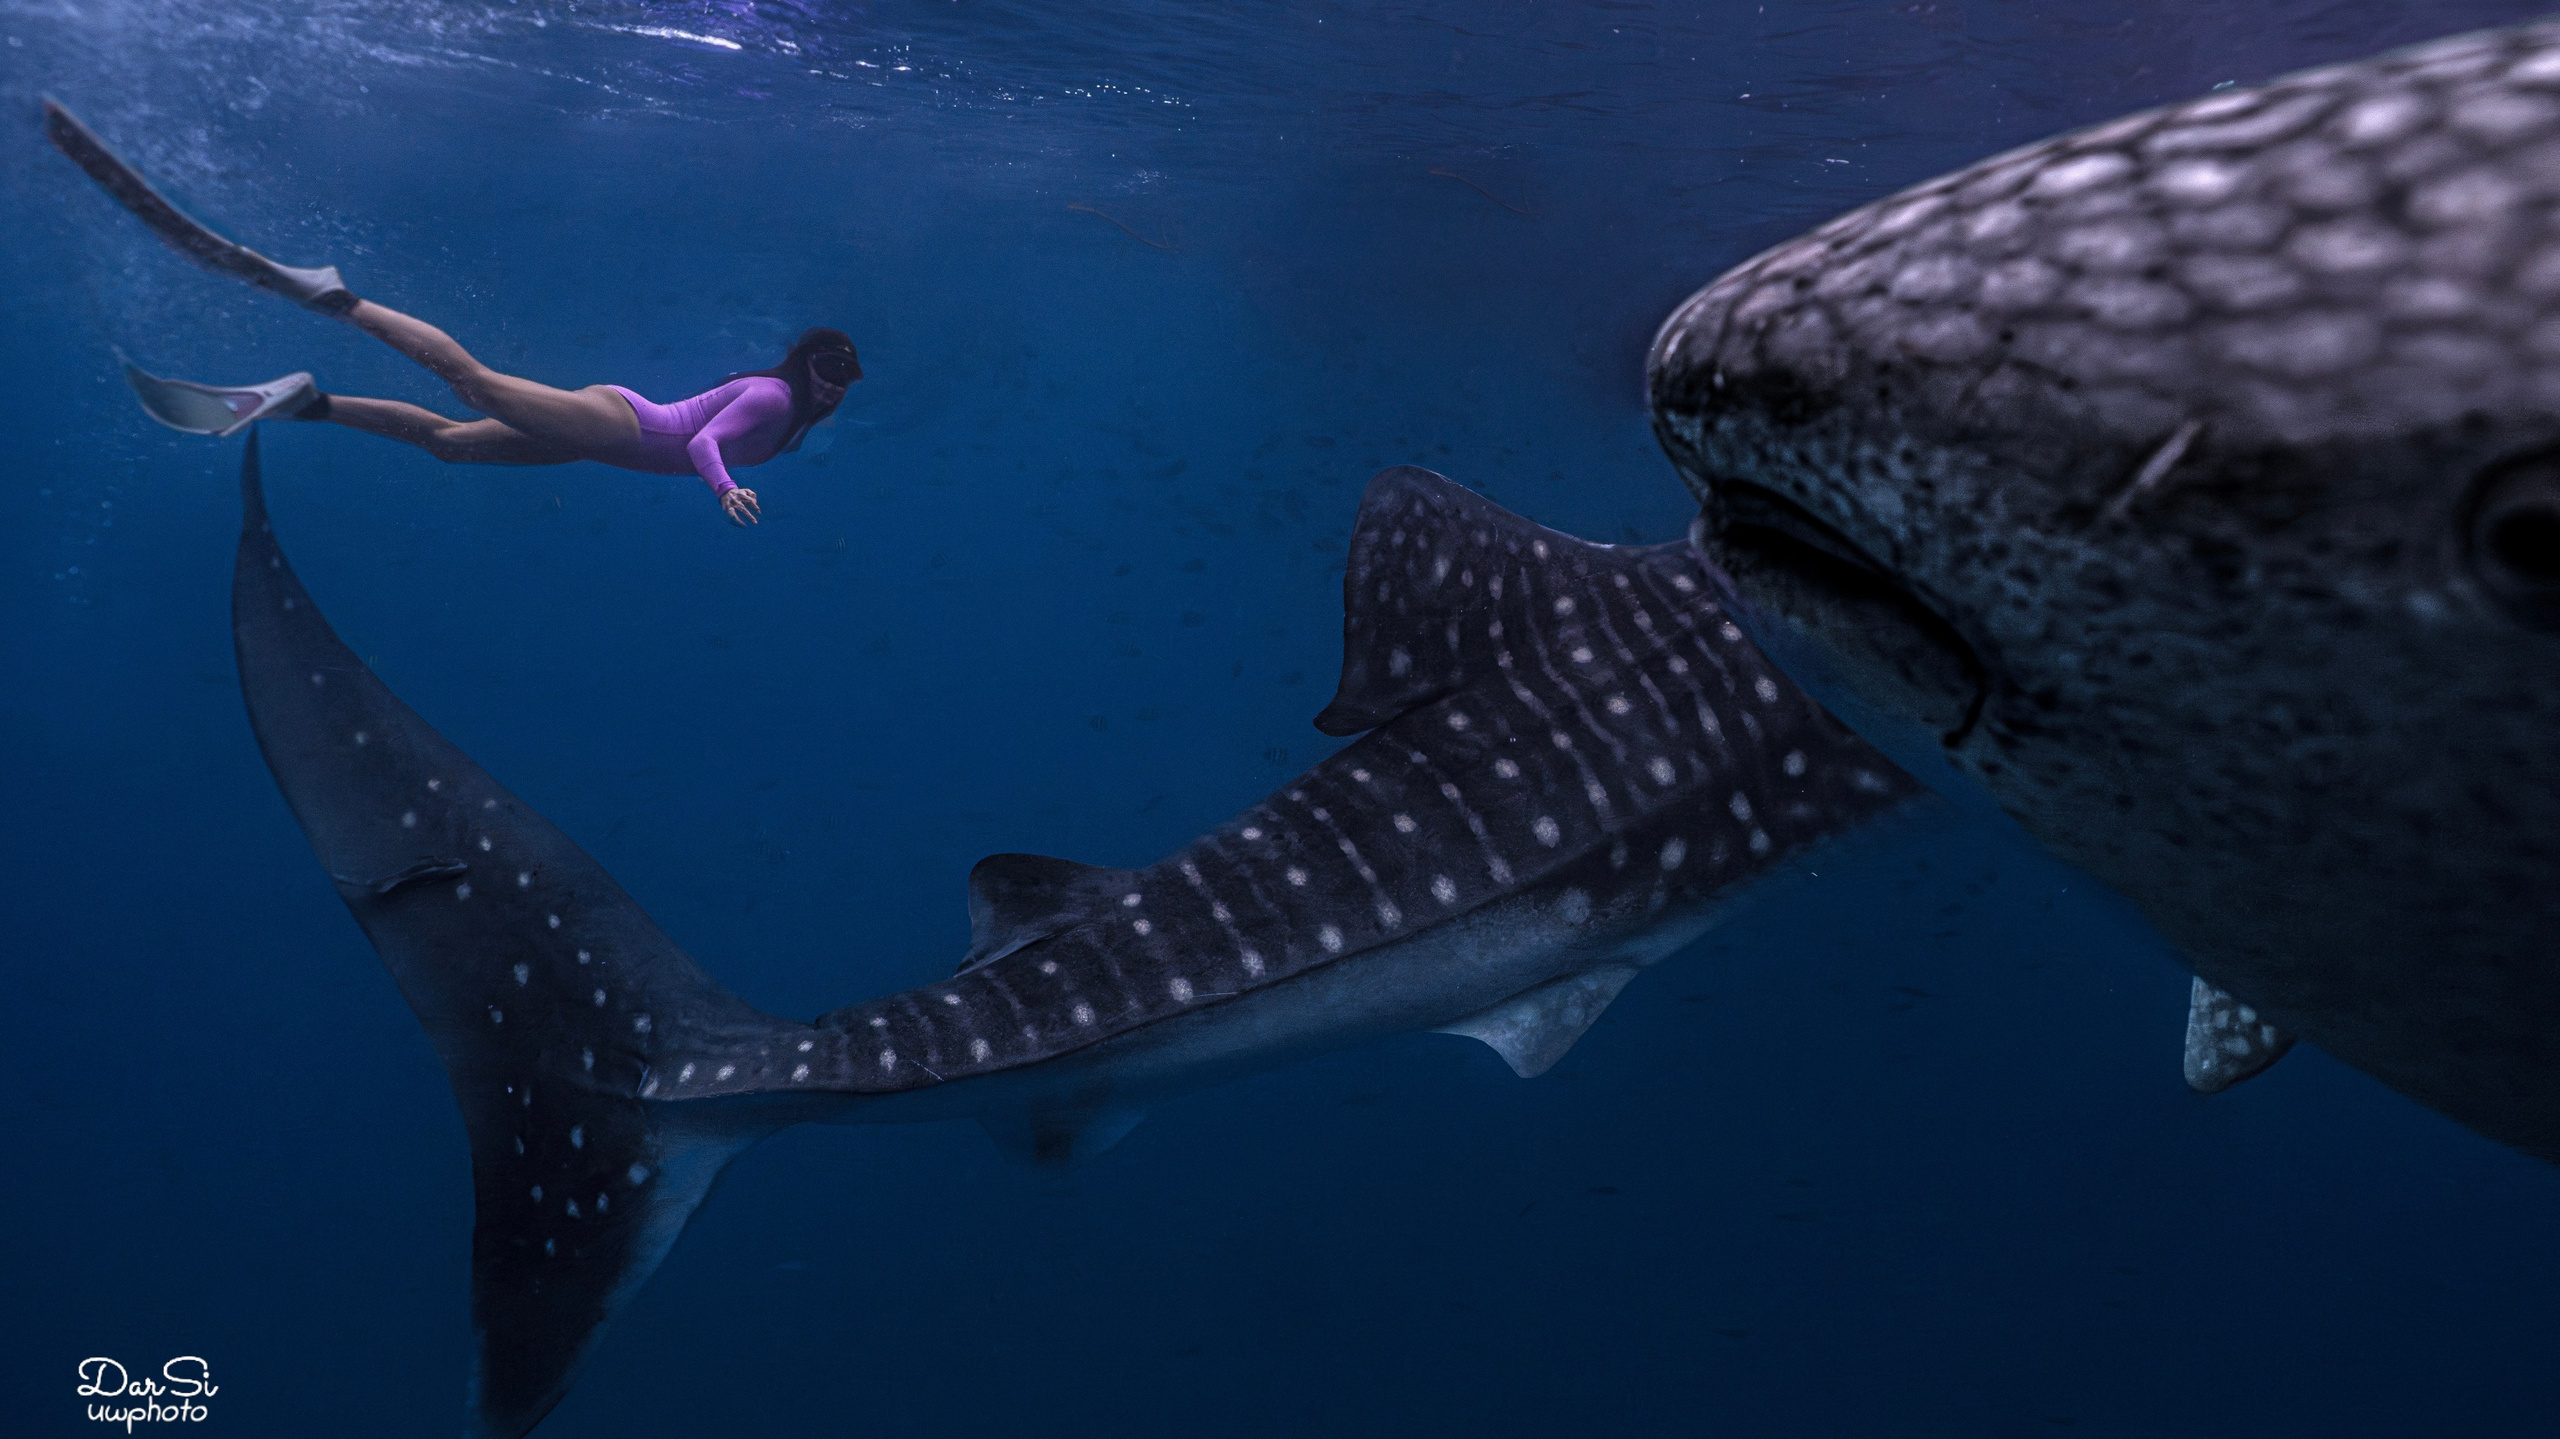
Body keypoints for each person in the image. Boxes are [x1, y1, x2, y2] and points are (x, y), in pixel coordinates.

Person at [45, 97, 858, 527]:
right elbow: (710, 440)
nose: (833, 386)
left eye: (845, 379)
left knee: (450, 446)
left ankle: (304, 401)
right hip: (621, 426)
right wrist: (720, 492)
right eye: (826, 368)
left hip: (608, 446)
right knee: (473, 384)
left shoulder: (798, 419)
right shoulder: (776, 397)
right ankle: (333, 294)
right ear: (802, 363)